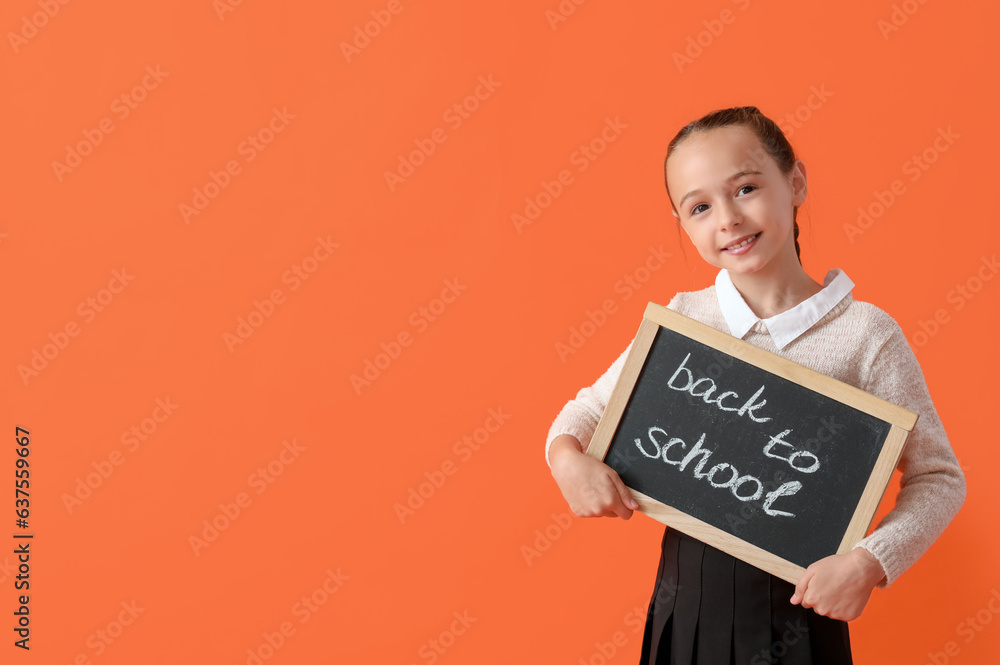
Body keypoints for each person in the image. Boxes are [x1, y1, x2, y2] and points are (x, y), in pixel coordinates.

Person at [544, 106, 967, 665]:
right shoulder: (684, 321)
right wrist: (566, 460)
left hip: (802, 608)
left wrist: (869, 561)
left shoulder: (866, 335)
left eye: (745, 188)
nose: (728, 219)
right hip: (688, 600)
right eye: (699, 207)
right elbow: (584, 413)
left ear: (795, 182)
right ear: (683, 224)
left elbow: (939, 477)